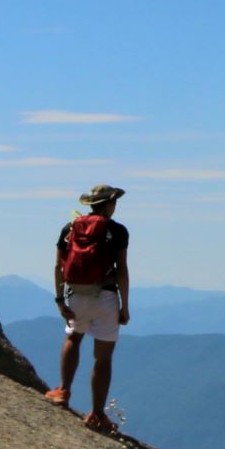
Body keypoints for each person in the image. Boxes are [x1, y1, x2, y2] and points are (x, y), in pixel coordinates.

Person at [45, 184, 131, 432]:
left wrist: (60, 300)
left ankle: (63, 391)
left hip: (76, 294)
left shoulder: (70, 228)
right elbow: (122, 270)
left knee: (73, 337)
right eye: (114, 202)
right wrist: (124, 306)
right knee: (103, 358)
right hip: (105, 295)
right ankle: (96, 413)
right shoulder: (117, 231)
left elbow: (58, 267)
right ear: (108, 204)